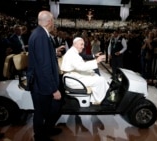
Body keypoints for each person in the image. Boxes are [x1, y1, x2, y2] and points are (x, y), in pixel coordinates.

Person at [26, 10, 62, 141]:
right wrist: (54, 89)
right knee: (41, 112)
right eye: (53, 21)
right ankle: (40, 137)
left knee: (48, 109)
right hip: (41, 84)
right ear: (49, 22)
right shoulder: (41, 36)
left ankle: (48, 130)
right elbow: (44, 67)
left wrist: (53, 51)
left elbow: (41, 56)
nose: (53, 24)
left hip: (40, 82)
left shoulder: (39, 33)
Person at [61, 37, 109, 104]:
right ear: (75, 44)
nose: (83, 47)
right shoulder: (72, 54)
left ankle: (95, 98)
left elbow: (80, 65)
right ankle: (99, 100)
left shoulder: (73, 52)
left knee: (95, 75)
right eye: (81, 44)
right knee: (100, 80)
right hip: (72, 80)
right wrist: (96, 61)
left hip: (73, 76)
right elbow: (81, 67)